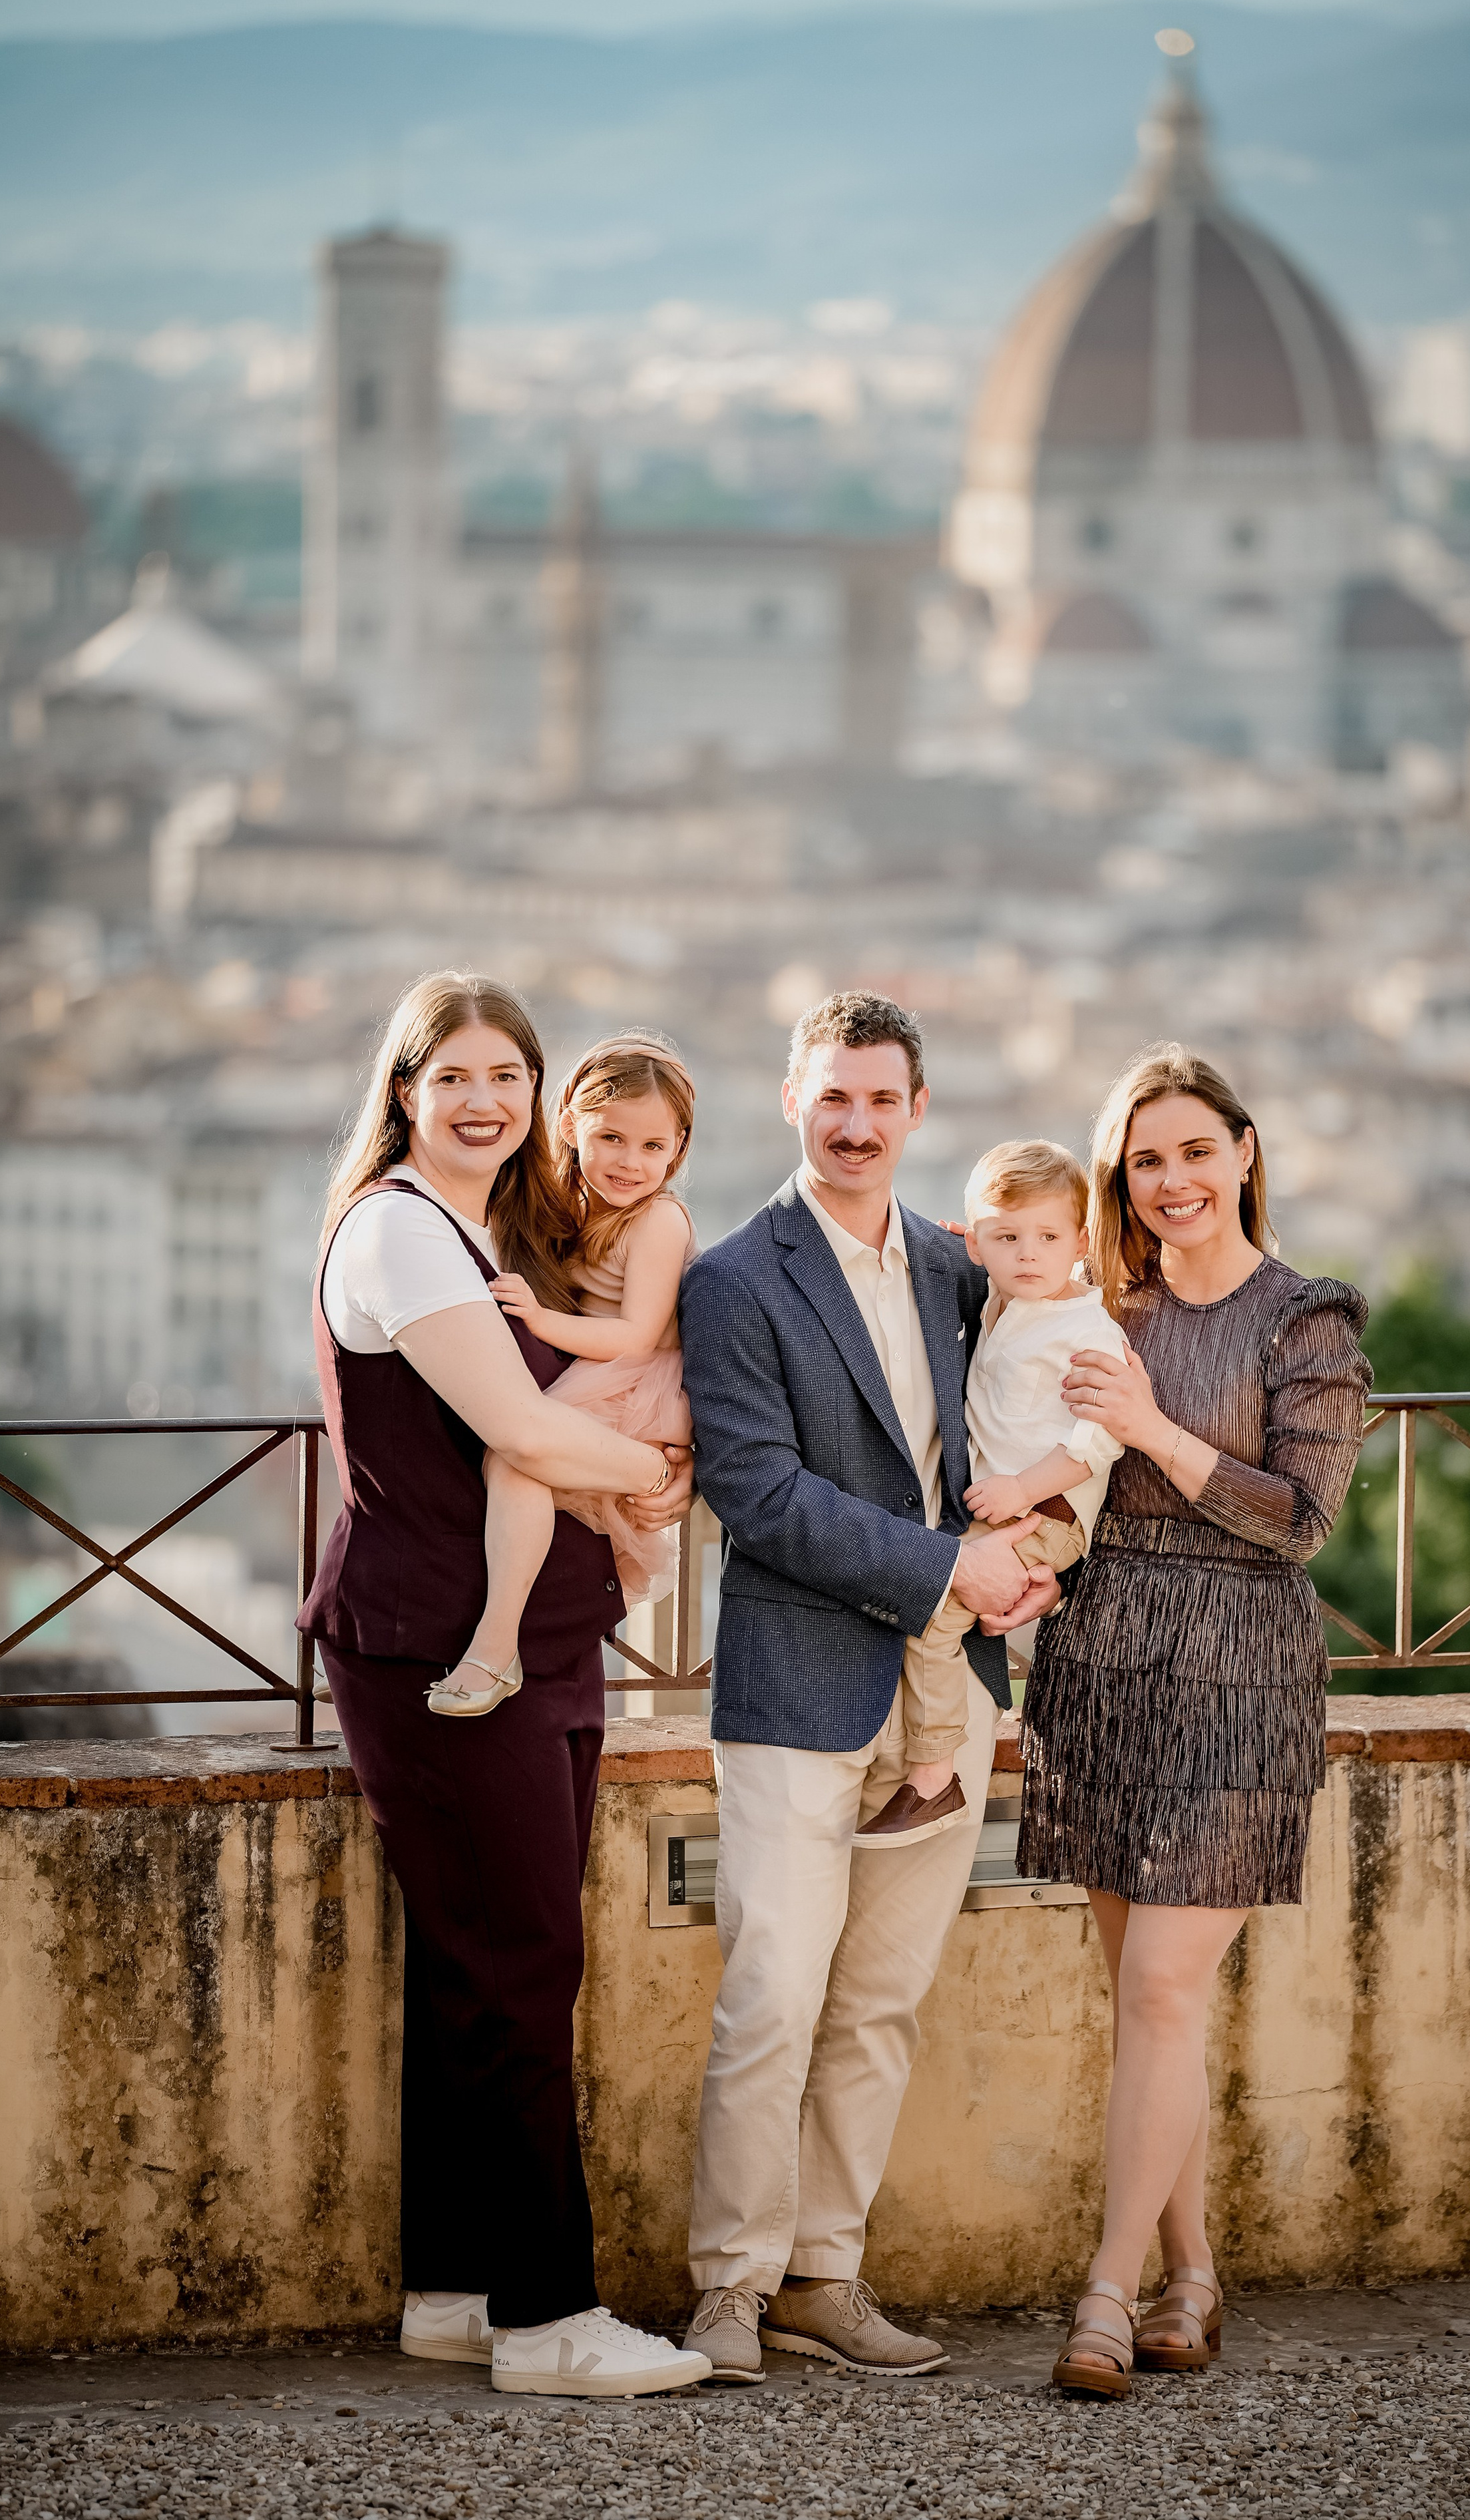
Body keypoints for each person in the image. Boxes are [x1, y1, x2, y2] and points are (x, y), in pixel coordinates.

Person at [297, 970, 711, 2400]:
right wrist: (659, 1472)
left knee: (474, 1971)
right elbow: (523, 1426)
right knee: (524, 1966)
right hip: (437, 1648)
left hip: (523, 1639)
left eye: (507, 1078)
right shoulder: (406, 1237)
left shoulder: (481, 1229)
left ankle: (456, 2291)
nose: (482, 1101)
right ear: (403, 1090)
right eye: (453, 1076)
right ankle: (547, 2321)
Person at [677, 990, 1058, 2384]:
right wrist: (949, 1570)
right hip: (796, 1678)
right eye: (830, 1096)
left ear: (913, 1112)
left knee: (879, 2004)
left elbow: (1026, 1413)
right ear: (793, 1100)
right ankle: (728, 2286)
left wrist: (1030, 1549)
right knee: (771, 1994)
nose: (853, 1124)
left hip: (943, 1692)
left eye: (879, 1100)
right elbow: (753, 1490)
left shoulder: (964, 1273)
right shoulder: (732, 1278)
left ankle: (821, 2277)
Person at [1028, 1042, 1368, 2398]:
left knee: (1164, 1987)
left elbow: (1300, 1523)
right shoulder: (1096, 1306)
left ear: (1241, 1154)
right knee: (1142, 2007)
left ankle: (1105, 2295)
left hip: (1241, 1668)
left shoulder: (1309, 1318)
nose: (1168, 1180)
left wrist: (1153, 1433)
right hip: (1099, 1659)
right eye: (1142, 1158)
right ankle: (1193, 2278)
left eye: (1191, 1151)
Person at [854, 1138, 1129, 1848]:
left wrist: (1018, 1489)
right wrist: (963, 1246)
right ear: (978, 1244)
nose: (1028, 1254)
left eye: (1047, 1238)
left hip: (1045, 1510)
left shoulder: (1087, 1328)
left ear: (1082, 1242)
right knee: (944, 1604)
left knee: (936, 1610)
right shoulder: (1008, 1297)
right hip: (1013, 1507)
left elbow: (1099, 1440)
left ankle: (932, 1776)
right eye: (1007, 1238)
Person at [431, 1031, 699, 1718]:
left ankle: (495, 1646)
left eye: (652, 1148)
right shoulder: (572, 1204)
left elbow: (636, 1333)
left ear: (677, 1151)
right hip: (601, 1374)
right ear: (572, 1125)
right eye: (611, 1138)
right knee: (498, 1470)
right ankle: (441, 1636)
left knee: (515, 1462)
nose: (630, 1163)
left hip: (636, 1383)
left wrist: (539, 1321)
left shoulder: (659, 1220)